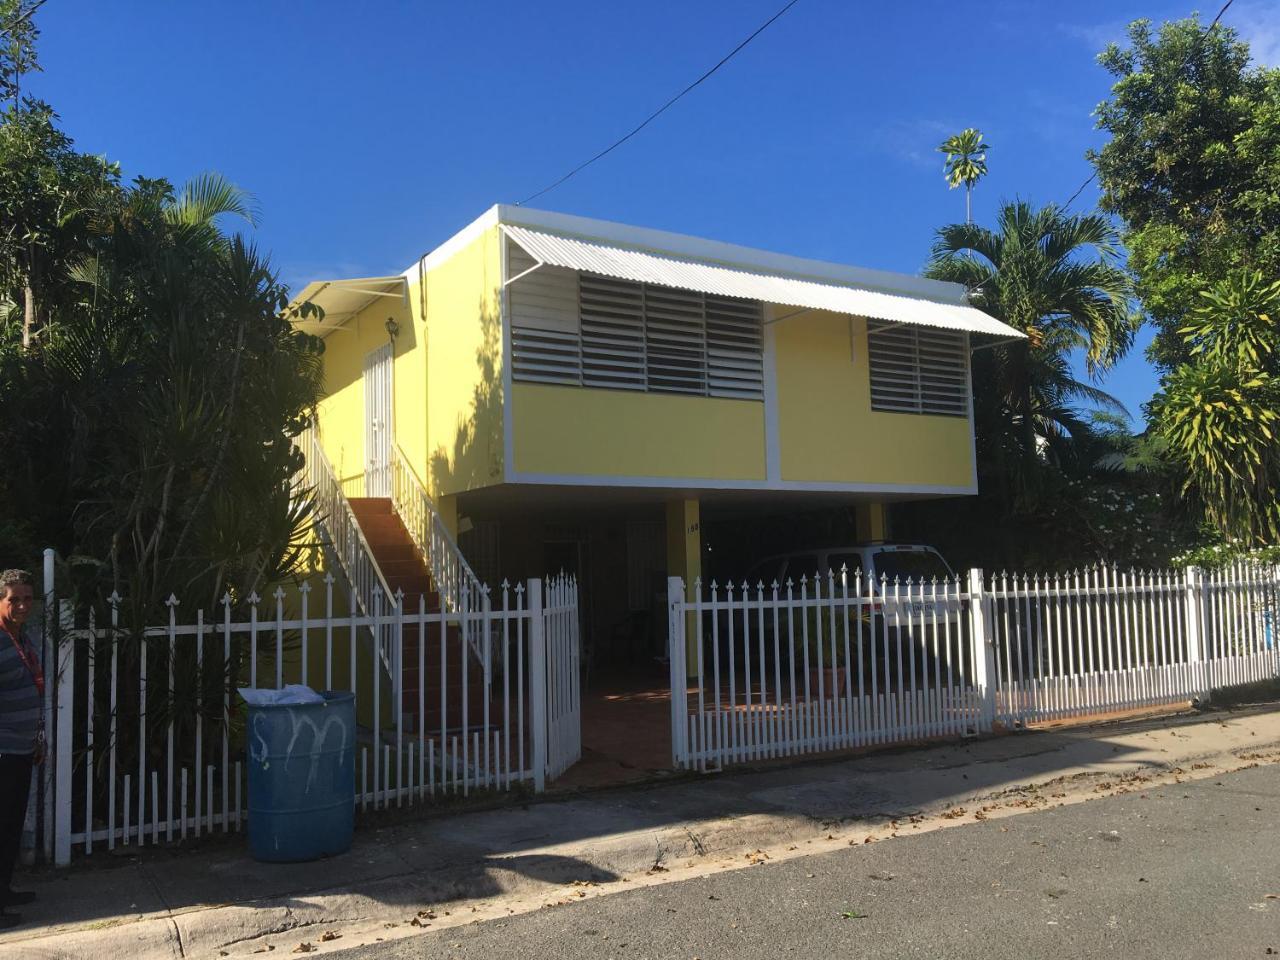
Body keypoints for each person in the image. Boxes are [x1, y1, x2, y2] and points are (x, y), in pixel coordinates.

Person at [0, 568, 41, 929]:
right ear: (1, 600)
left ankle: (4, 890)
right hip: (3, 752)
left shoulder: (22, 638)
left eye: (27, 598)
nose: (22, 605)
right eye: (14, 599)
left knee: (11, 825)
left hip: (22, 749)